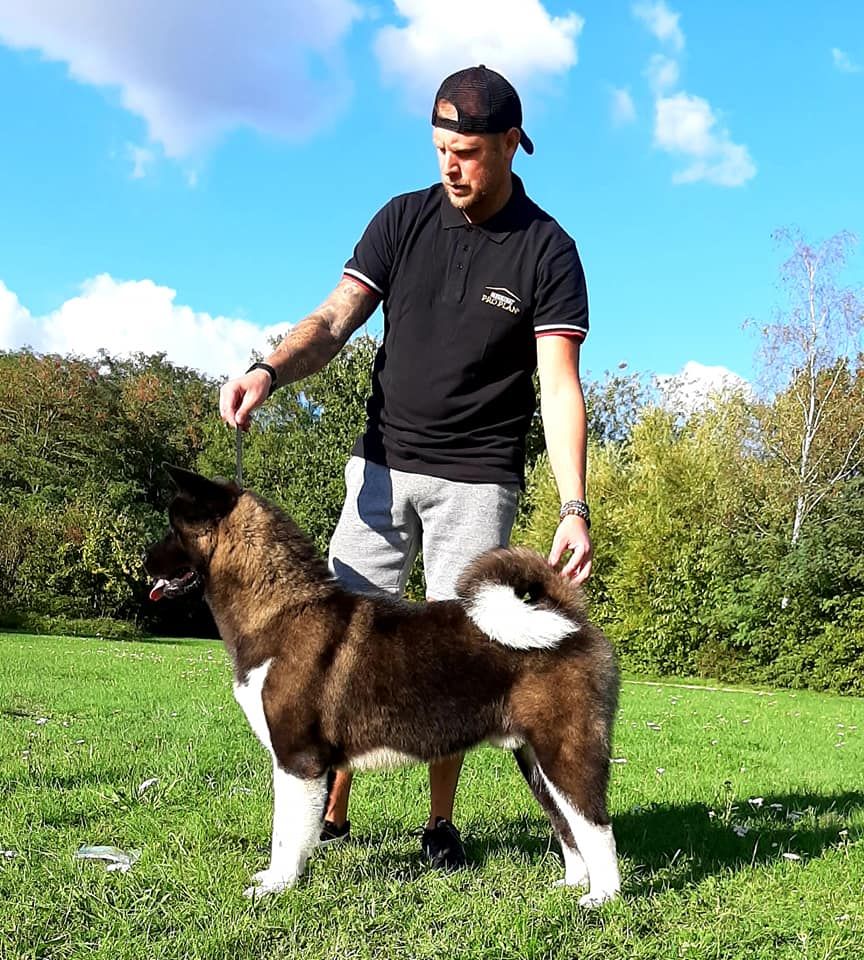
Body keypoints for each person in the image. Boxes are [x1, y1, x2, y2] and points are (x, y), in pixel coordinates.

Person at [219, 64, 593, 870]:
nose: (451, 167)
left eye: (467, 152)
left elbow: (560, 384)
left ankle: (439, 825)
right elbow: (334, 321)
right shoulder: (402, 219)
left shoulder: (548, 250)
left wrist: (574, 505)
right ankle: (330, 812)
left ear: (510, 145)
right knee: (332, 640)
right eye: (439, 150)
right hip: (382, 465)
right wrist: (268, 370)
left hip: (479, 476)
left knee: (455, 654)